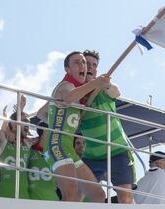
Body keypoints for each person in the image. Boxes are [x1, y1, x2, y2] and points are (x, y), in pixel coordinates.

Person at [36, 51, 108, 202]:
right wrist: (94, 83)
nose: (82, 65)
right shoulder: (65, 85)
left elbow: (41, 113)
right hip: (56, 145)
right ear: (67, 70)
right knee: (71, 193)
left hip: (68, 149)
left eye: (84, 62)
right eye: (77, 62)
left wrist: (57, 120)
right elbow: (68, 98)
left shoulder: (77, 91)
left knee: (99, 195)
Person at [80, 50, 135, 204]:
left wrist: (106, 83)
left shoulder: (104, 88)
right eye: (86, 64)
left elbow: (116, 93)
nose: (90, 67)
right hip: (92, 154)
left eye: (94, 65)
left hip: (117, 149)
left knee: (125, 198)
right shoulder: (76, 92)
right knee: (80, 196)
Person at [0, 75, 36, 199]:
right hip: (2, 201)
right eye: (24, 122)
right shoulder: (1, 140)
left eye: (28, 123)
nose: (27, 125)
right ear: (13, 124)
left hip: (25, 201)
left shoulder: (27, 143)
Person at [28, 121, 59, 200]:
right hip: (33, 199)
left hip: (52, 199)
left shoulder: (55, 152)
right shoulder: (29, 149)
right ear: (45, 131)